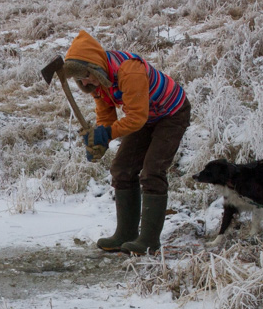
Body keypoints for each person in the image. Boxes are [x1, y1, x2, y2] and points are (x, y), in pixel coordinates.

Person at [63, 30, 191, 254]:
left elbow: (136, 118)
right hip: (146, 117)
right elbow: (107, 116)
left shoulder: (129, 71)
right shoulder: (98, 82)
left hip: (171, 113)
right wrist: (99, 141)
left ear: (95, 67)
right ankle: (126, 234)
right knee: (122, 169)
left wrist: (107, 134)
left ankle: (149, 241)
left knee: (152, 172)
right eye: (80, 79)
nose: (85, 82)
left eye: (86, 75)